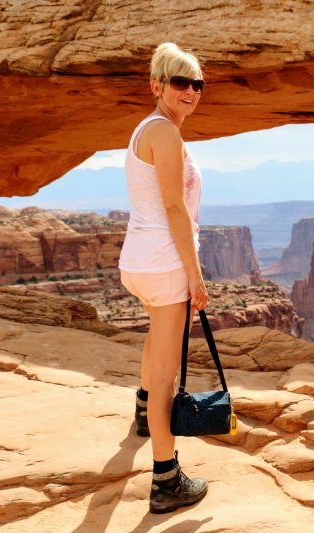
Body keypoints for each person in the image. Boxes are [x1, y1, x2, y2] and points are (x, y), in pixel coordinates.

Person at [118, 42, 210, 514]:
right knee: (166, 376)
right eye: (180, 82)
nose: (190, 91)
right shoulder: (167, 135)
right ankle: (166, 478)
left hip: (139, 260)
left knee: (156, 338)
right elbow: (174, 207)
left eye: (197, 83)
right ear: (157, 85)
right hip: (165, 262)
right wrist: (194, 276)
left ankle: (141, 411)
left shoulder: (145, 129)